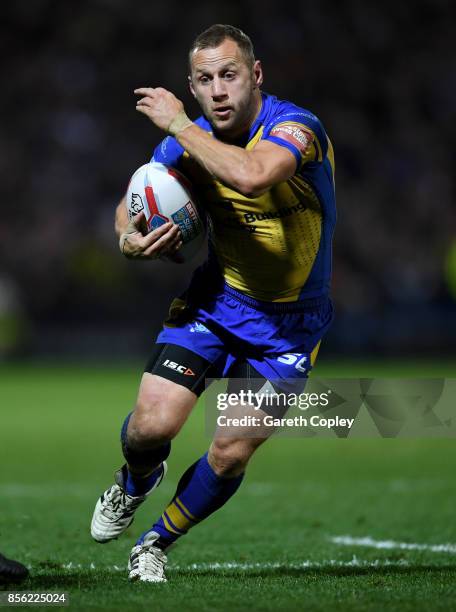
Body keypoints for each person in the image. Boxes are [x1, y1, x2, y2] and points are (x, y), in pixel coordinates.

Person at [91, 24, 336, 583]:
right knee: (150, 428)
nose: (219, 90)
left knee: (229, 451)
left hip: (290, 327)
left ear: (256, 75)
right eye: (206, 80)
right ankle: (135, 480)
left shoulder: (297, 128)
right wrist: (127, 241)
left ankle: (155, 542)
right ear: (193, 86)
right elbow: (138, 196)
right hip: (216, 303)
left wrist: (178, 121)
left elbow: (252, 176)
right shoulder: (184, 143)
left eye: (229, 75)